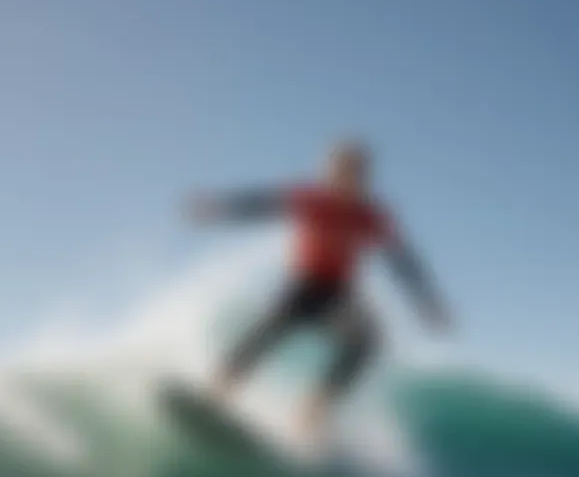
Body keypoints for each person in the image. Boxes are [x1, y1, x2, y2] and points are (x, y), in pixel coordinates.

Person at [186, 141, 453, 442]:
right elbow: (260, 205)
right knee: (270, 329)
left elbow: (403, 261)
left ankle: (312, 413)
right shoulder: (310, 198)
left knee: (367, 341)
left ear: (363, 177)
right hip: (303, 284)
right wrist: (218, 208)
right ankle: (215, 394)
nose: (345, 178)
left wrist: (427, 302)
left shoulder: (370, 216)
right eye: (338, 170)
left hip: (339, 295)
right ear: (328, 171)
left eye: (354, 172)